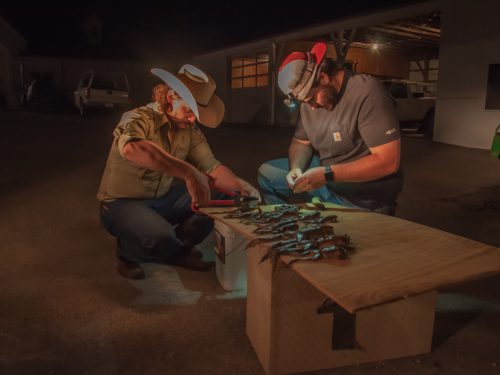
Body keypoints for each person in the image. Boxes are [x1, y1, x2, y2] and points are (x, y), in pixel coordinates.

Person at [98, 64, 260, 280]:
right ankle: (128, 252)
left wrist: (245, 195)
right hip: (120, 203)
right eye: (190, 111)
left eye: (197, 113)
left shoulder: (189, 129)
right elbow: (131, 148)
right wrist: (189, 172)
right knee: (160, 237)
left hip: (161, 199)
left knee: (222, 193)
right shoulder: (137, 117)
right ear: (172, 97)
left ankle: (179, 250)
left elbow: (212, 166)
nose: (193, 119)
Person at [258, 42, 403, 214]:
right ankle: (282, 227)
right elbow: (301, 142)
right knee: (267, 174)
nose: (311, 107)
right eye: (304, 102)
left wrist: (327, 174)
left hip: (362, 197)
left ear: (323, 78)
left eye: (311, 99)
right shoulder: (309, 103)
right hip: (327, 181)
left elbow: (388, 162)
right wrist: (296, 168)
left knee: (337, 237)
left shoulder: (367, 93)